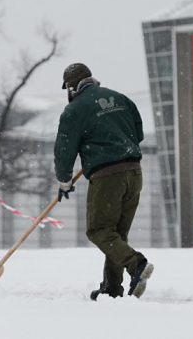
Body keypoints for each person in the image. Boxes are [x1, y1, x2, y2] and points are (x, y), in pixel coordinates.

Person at [54, 63, 154, 300]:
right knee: (116, 234)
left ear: (70, 87)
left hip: (108, 177)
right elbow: (137, 134)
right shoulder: (120, 98)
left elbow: (64, 150)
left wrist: (64, 180)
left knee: (99, 230)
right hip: (134, 172)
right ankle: (112, 288)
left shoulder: (74, 110)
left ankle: (136, 264)